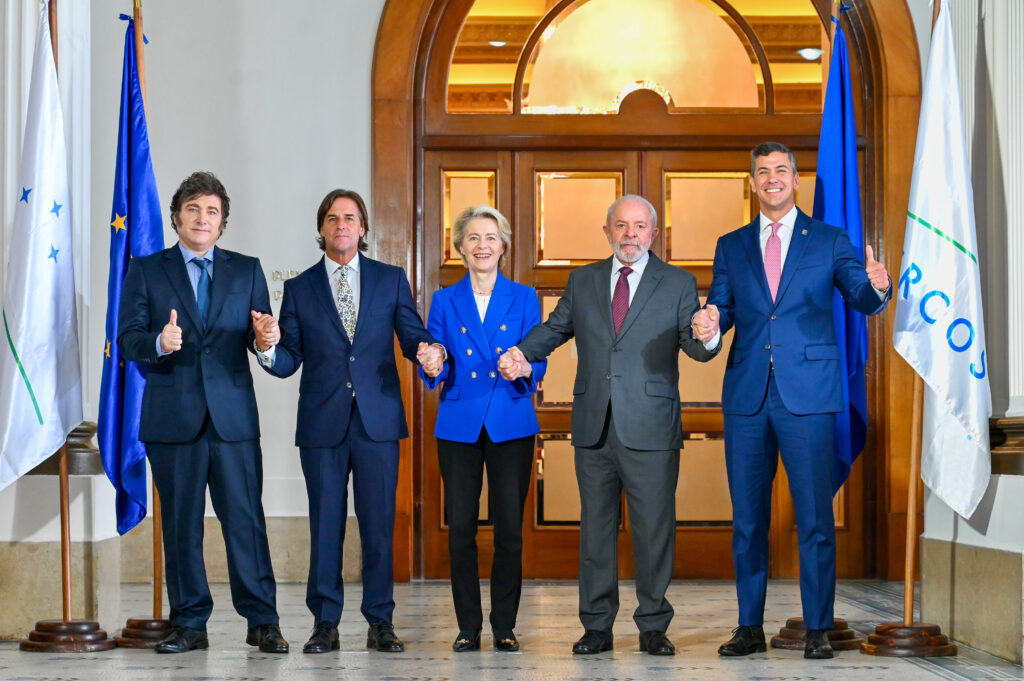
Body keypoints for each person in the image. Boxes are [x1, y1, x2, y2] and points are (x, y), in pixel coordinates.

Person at [498, 195, 719, 656]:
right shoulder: (584, 280)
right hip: (594, 425)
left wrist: (708, 333)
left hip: (652, 427)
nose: (630, 234)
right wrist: (523, 353)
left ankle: (653, 627)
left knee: (654, 530)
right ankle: (596, 626)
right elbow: (556, 328)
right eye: (621, 226)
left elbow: (696, 348)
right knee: (595, 530)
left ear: (653, 234)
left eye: (640, 226)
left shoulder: (678, 283)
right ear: (607, 232)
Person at [695, 142, 891, 660]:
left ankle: (819, 628)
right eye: (763, 172)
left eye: (781, 170)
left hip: (810, 395)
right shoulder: (731, 245)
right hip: (747, 396)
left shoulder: (829, 240)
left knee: (814, 518)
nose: (772, 178)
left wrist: (879, 287)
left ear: (796, 180)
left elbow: (860, 296)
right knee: (748, 521)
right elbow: (721, 309)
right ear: (753, 183)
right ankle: (748, 628)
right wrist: (711, 326)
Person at [256, 188, 443, 654]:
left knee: (379, 525)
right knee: (325, 524)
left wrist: (429, 354)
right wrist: (266, 347)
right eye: (333, 218)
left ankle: (380, 621)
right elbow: (288, 358)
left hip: (378, 421)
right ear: (322, 229)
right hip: (322, 423)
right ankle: (325, 623)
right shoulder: (300, 288)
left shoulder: (390, 278)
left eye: (351, 218)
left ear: (363, 229)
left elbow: (412, 335)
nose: (342, 224)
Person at [117, 171, 287, 654]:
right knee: (181, 525)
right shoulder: (147, 270)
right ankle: (189, 623)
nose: (202, 218)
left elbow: (259, 334)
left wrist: (266, 339)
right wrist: (157, 342)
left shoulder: (246, 269)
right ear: (176, 217)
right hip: (174, 422)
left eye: (211, 211)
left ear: (223, 222)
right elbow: (127, 340)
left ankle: (263, 622)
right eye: (193, 209)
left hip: (233, 420)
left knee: (245, 522)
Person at [419, 205, 547, 653]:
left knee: (510, 529)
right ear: (459, 248)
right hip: (459, 423)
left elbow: (539, 352)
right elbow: (435, 354)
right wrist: (432, 362)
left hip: (511, 420)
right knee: (462, 530)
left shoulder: (525, 296)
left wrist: (525, 366)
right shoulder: (444, 299)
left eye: (490, 237)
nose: (482, 246)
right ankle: (468, 626)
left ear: (504, 246)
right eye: (472, 238)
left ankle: (504, 626)